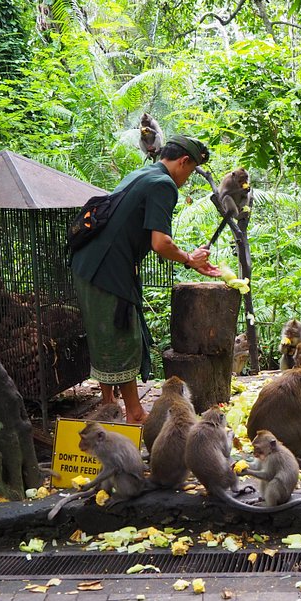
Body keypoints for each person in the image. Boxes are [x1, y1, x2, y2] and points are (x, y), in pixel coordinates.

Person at [72, 135, 221, 424]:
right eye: (189, 173)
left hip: (86, 264)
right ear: (184, 161)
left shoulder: (142, 173)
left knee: (104, 335)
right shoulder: (163, 185)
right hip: (108, 269)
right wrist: (190, 258)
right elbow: (161, 243)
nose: (186, 180)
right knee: (123, 335)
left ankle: (109, 405)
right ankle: (135, 413)